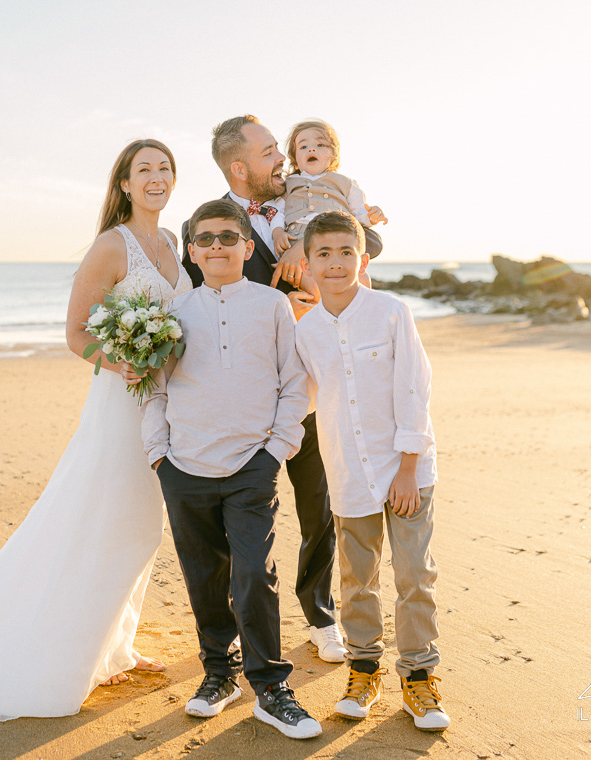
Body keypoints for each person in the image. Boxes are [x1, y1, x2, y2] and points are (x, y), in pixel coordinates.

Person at [0, 139, 191, 721]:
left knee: (143, 528)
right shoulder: (112, 245)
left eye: (165, 168)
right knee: (107, 521)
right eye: (144, 169)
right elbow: (76, 334)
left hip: (166, 407)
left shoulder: (173, 243)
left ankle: (116, 645)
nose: (156, 177)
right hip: (120, 407)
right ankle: (65, 653)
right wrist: (118, 360)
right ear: (124, 184)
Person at [144, 199, 321, 740]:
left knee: (252, 575)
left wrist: (276, 450)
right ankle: (219, 675)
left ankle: (270, 687)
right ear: (191, 251)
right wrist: (160, 455)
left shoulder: (272, 306)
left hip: (252, 463)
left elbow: (296, 382)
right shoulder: (173, 312)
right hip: (184, 464)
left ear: (248, 247)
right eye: (205, 239)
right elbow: (152, 387)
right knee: (204, 577)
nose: (217, 246)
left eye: (228, 236)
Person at [181, 115, 347, 663]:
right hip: (250, 403)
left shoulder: (307, 196)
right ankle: (233, 631)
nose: (282, 158)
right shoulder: (209, 225)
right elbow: (201, 304)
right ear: (239, 166)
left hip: (316, 388)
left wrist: (316, 300)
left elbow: (361, 241)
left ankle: (322, 615)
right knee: (243, 520)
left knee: (318, 504)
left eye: (280, 148)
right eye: (270, 151)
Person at [293, 211, 450, 732]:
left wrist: (407, 467)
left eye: (345, 252)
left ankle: (419, 679)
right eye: (323, 254)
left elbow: (414, 387)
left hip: (406, 468)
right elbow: (303, 398)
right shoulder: (307, 331)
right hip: (347, 471)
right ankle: (363, 671)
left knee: (414, 575)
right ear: (308, 264)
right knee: (357, 579)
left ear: (363, 259)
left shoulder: (390, 311)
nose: (335, 263)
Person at [273, 119, 387, 277]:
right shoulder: (289, 185)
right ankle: (316, 300)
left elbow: (359, 214)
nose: (311, 149)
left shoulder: (346, 183)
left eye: (320, 145)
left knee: (361, 277)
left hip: (337, 237)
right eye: (303, 146)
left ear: (333, 155)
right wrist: (277, 231)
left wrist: (371, 217)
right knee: (306, 277)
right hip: (297, 239)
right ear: (296, 161)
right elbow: (278, 211)